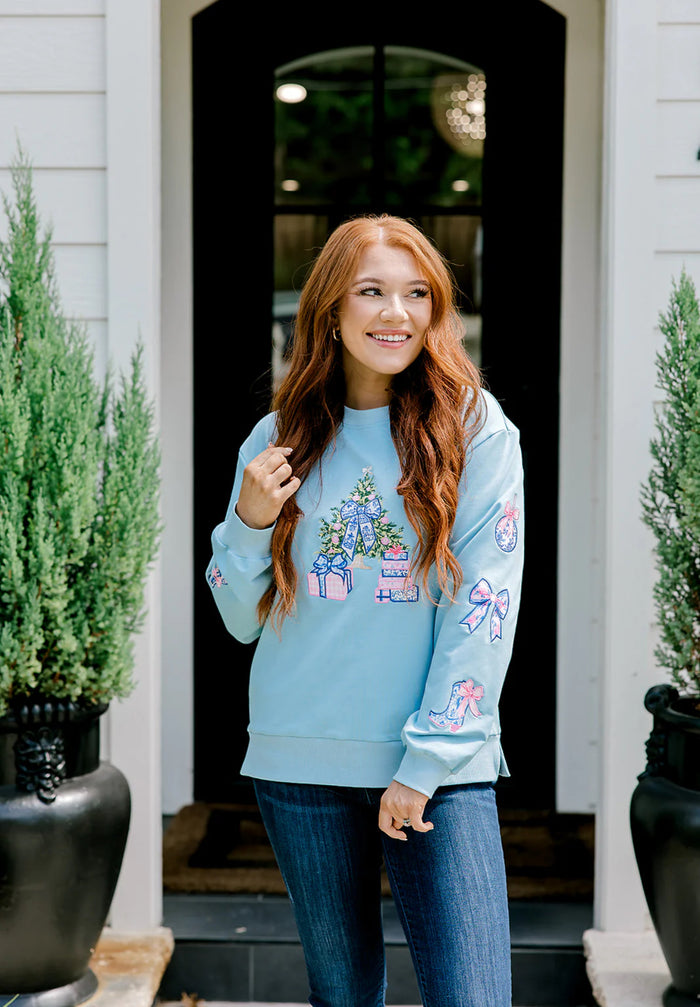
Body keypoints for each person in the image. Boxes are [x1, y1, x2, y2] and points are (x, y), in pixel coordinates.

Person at [206, 215, 524, 1007]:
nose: (398, 313)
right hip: (299, 757)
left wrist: (424, 764)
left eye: (417, 293)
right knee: (343, 997)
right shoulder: (275, 439)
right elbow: (241, 620)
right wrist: (245, 524)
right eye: (372, 291)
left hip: (439, 768)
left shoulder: (476, 430)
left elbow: (485, 605)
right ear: (331, 310)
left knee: (474, 996)